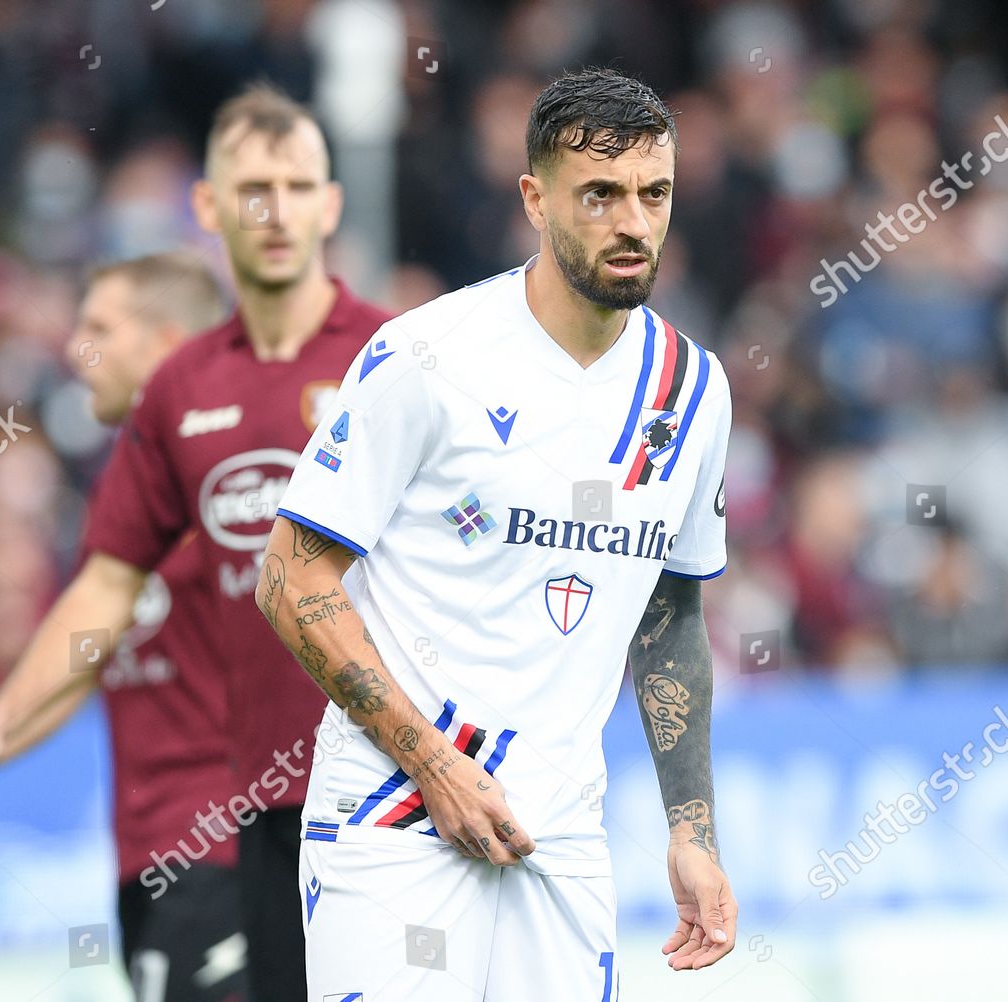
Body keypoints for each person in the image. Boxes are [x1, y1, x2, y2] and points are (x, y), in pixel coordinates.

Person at [0, 83, 391, 1001]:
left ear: (332, 203)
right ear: (209, 207)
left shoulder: (397, 358)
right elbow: (102, 597)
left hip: (390, 802)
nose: (275, 212)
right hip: (256, 820)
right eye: (251, 188)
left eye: (297, 186)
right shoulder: (182, 396)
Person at [256, 67, 738, 1001]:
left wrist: (692, 831)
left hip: (563, 833)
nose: (633, 224)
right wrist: (435, 765)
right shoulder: (430, 355)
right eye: (599, 195)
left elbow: (669, 615)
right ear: (534, 198)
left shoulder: (692, 390)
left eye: (654, 194)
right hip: (395, 816)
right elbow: (290, 579)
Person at [0, 253, 249, 1001]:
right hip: (150, 856)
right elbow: (81, 664)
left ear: (165, 344)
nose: (77, 349)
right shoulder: (125, 492)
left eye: (100, 328)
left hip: (232, 853)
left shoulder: (236, 488)